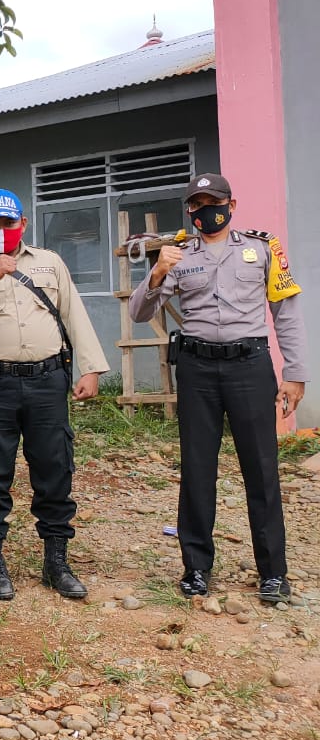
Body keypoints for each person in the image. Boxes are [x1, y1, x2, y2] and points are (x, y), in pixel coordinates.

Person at [129, 173, 308, 604]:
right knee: (196, 469)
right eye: (197, 204)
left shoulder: (262, 249)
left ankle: (272, 573)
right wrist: (157, 272)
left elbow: (284, 313)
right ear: (189, 211)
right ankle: (196, 568)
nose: (205, 210)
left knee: (261, 470)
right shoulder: (178, 255)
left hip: (249, 367)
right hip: (197, 370)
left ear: (231, 204)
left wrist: (296, 374)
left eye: (213, 201)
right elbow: (139, 312)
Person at [0, 189, 110, 601]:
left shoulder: (50, 263)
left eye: (10, 223)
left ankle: (57, 560)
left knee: (55, 470)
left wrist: (89, 367)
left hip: (47, 380)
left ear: (24, 224)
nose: (3, 231)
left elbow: (73, 312)